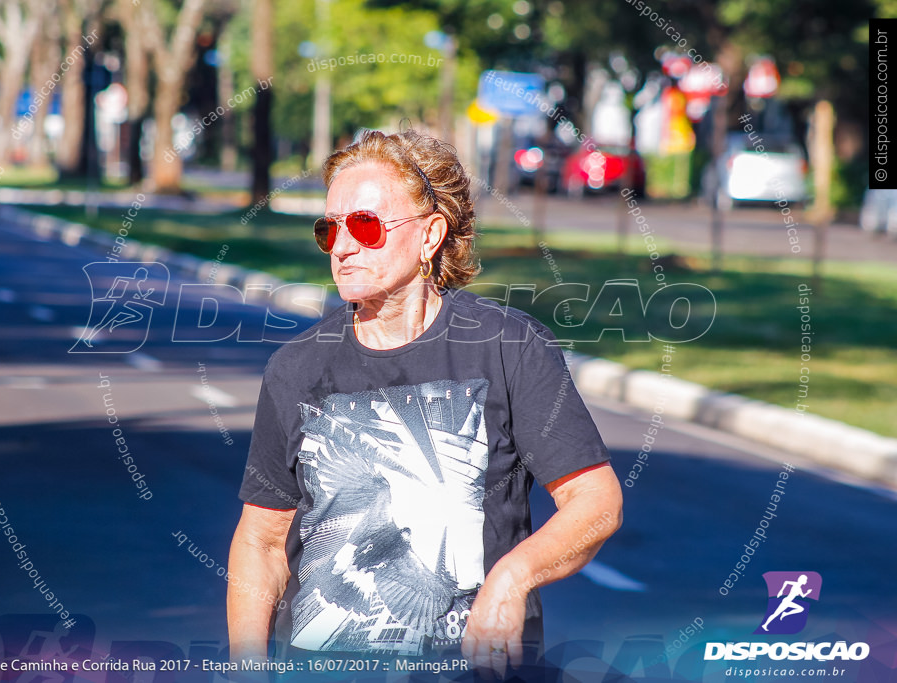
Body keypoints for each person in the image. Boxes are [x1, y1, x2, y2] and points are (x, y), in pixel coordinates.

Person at [227, 129, 622, 678]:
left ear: (431, 234)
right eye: (329, 228)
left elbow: (595, 501)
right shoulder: (296, 370)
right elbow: (262, 540)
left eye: (365, 225)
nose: (342, 246)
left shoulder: (508, 349)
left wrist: (514, 576)